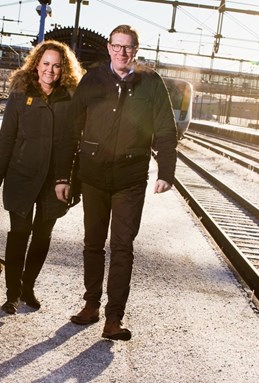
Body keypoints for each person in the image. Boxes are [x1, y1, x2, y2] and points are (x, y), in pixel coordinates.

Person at [54, 25, 178, 340]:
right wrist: (63, 175)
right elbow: (72, 130)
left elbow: (165, 129)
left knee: (122, 247)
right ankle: (91, 305)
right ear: (109, 48)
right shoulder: (93, 80)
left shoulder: (151, 83)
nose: (123, 53)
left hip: (130, 178)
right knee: (93, 244)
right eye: (117, 46)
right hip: (93, 177)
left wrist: (166, 171)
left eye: (129, 47)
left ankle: (113, 319)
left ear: (136, 50)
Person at [0, 40, 84, 315]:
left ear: (63, 69)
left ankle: (28, 286)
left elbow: (74, 143)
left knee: (43, 235)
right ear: (36, 65)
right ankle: (12, 293)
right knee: (19, 234)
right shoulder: (20, 94)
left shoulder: (71, 98)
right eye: (45, 64)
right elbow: (6, 138)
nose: (50, 71)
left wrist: (72, 183)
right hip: (22, 175)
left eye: (56, 66)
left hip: (56, 179)